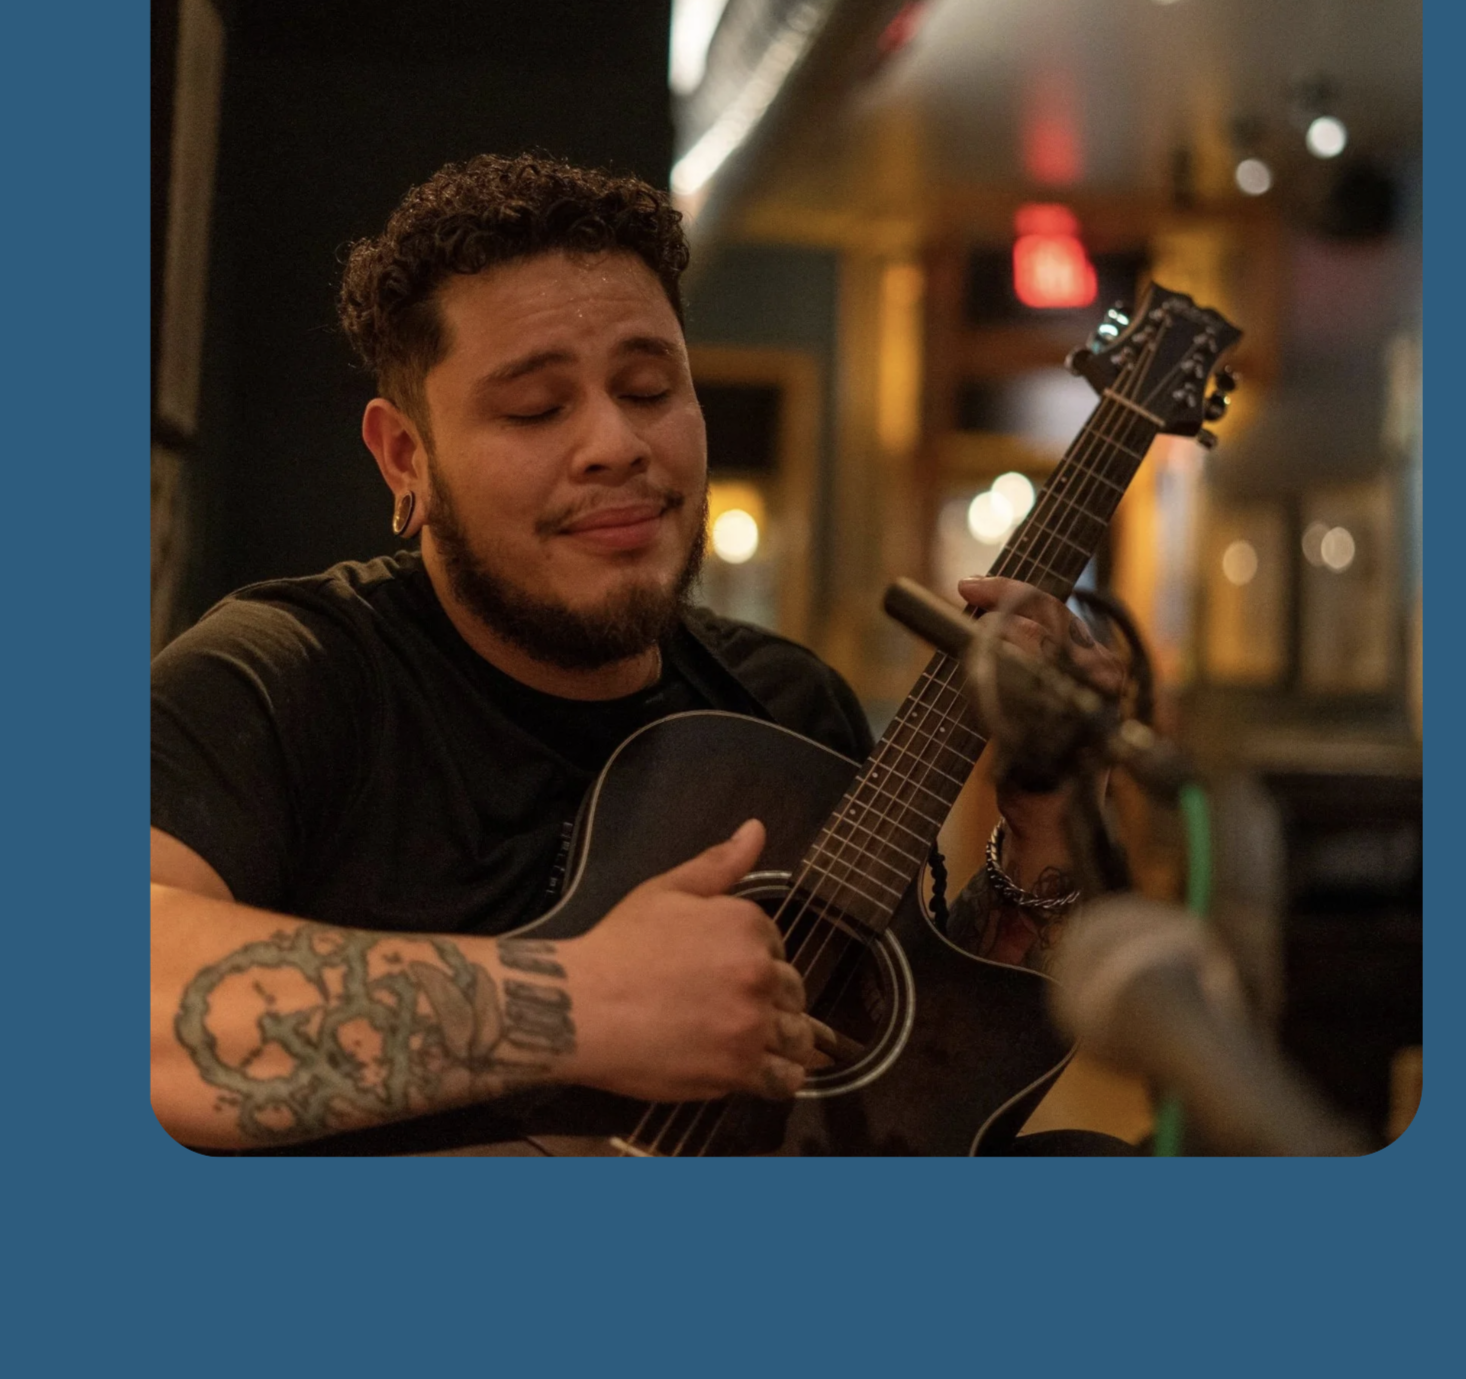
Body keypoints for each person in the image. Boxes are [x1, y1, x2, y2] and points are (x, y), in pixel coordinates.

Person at [151, 152, 1124, 1154]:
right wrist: (585, 1003)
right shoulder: (280, 680)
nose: (616, 443)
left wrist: (1050, 824)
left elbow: (928, 1094)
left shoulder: (786, 710)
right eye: (535, 409)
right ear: (407, 457)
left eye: (651, 388)